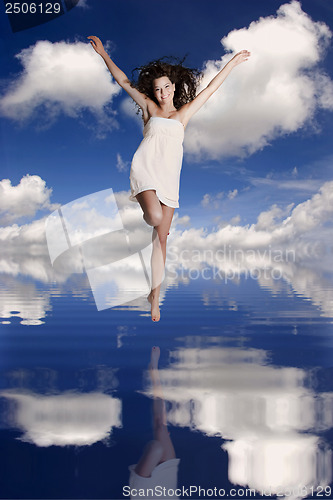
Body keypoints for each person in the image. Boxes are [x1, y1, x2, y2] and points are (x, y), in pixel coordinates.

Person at [88, 36, 250, 321]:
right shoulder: (150, 109)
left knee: (161, 242)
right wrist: (104, 55)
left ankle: (155, 297)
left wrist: (233, 63)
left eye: (165, 87)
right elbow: (124, 82)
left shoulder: (184, 115)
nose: (161, 92)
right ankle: (153, 266)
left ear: (173, 88)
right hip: (146, 168)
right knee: (154, 219)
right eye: (156, 89)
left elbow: (211, 88)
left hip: (169, 180)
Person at [128, 346, 179, 499]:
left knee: (156, 448)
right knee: (161, 427)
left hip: (145, 494)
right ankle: (154, 370)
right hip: (167, 490)